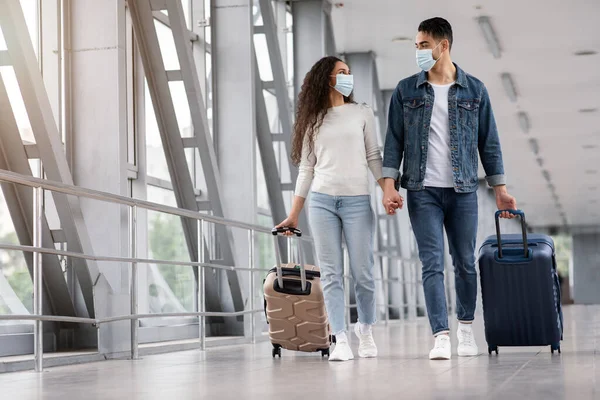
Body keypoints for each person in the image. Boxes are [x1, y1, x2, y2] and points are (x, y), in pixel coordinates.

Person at [382, 17, 517, 360]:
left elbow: (490, 144)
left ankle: (466, 329)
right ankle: (441, 334)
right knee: (431, 263)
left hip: (464, 190)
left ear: (443, 46)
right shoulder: (405, 90)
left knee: (465, 263)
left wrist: (500, 189)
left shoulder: (475, 90)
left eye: (423, 45)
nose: (418, 52)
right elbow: (393, 144)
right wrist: (388, 186)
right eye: (415, 46)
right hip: (421, 190)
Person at [277, 56, 392, 361]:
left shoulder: (362, 112)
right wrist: (293, 214)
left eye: (349, 72)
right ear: (325, 79)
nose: (347, 77)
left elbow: (373, 155)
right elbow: (306, 169)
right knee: (331, 274)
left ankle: (365, 330)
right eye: (342, 72)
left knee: (363, 271)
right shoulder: (312, 121)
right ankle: (339, 337)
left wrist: (387, 191)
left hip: (357, 201)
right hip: (321, 202)